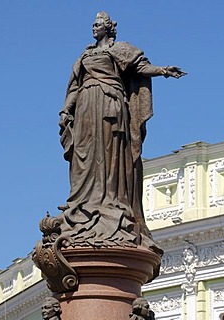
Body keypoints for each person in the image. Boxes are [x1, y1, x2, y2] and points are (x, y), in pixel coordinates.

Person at [58, 11, 185, 250]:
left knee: (110, 153)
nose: (94, 28)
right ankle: (84, 203)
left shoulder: (120, 49)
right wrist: (65, 110)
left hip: (109, 105)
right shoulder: (85, 55)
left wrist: (164, 70)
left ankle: (110, 201)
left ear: (108, 28)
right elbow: (75, 87)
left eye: (98, 25)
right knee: (83, 155)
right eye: (93, 25)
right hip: (86, 107)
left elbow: (141, 67)